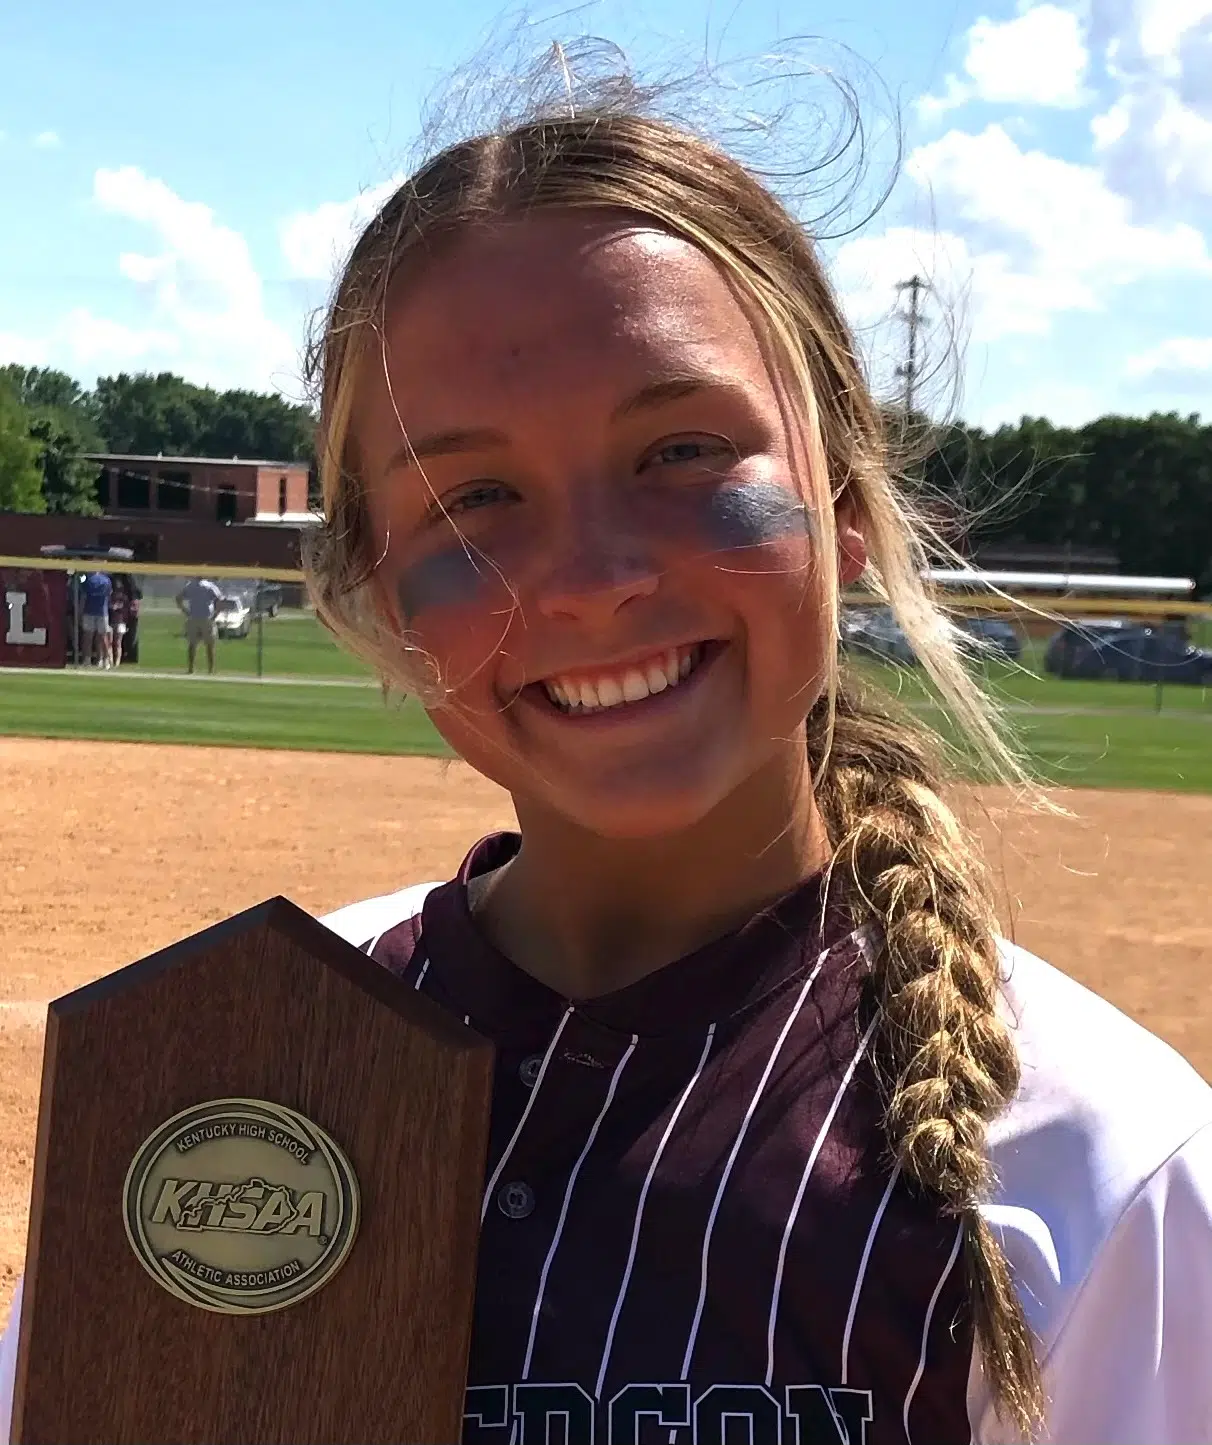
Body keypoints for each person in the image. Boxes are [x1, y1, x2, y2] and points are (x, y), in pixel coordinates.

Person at [4, 69, 1211, 1445]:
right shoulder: (222, 1072)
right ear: (380, 589)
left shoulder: (1087, 1163)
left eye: (681, 450)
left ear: (849, 500)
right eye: (479, 497)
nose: (589, 580)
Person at [174, 574, 223, 675]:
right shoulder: (210, 586)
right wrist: (215, 615)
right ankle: (210, 670)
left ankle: (191, 669)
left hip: (193, 618)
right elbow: (220, 601)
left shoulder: (190, 585)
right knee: (210, 645)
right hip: (207, 618)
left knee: (192, 645)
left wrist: (186, 611)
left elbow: (178, 598)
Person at [79, 569, 111, 668]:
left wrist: (80, 610)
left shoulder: (85, 577)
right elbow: (109, 594)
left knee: (88, 636)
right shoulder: (106, 579)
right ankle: (106, 661)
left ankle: (87, 660)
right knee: (103, 636)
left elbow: (82, 592)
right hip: (102, 611)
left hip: (89, 611)